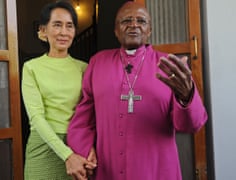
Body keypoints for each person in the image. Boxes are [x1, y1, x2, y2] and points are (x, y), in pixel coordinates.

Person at [67, 1, 208, 180]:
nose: (134, 25)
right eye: (126, 21)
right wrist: (85, 150)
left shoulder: (169, 66)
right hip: (109, 169)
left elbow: (191, 125)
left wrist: (187, 98)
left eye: (141, 21)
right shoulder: (98, 63)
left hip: (157, 170)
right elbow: (83, 119)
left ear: (149, 31)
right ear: (116, 31)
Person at [21, 1, 96, 180]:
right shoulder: (31, 68)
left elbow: (91, 113)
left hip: (78, 145)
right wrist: (67, 156)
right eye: (57, 25)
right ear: (43, 30)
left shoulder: (84, 68)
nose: (64, 32)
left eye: (69, 26)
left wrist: (90, 146)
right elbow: (36, 118)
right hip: (43, 148)